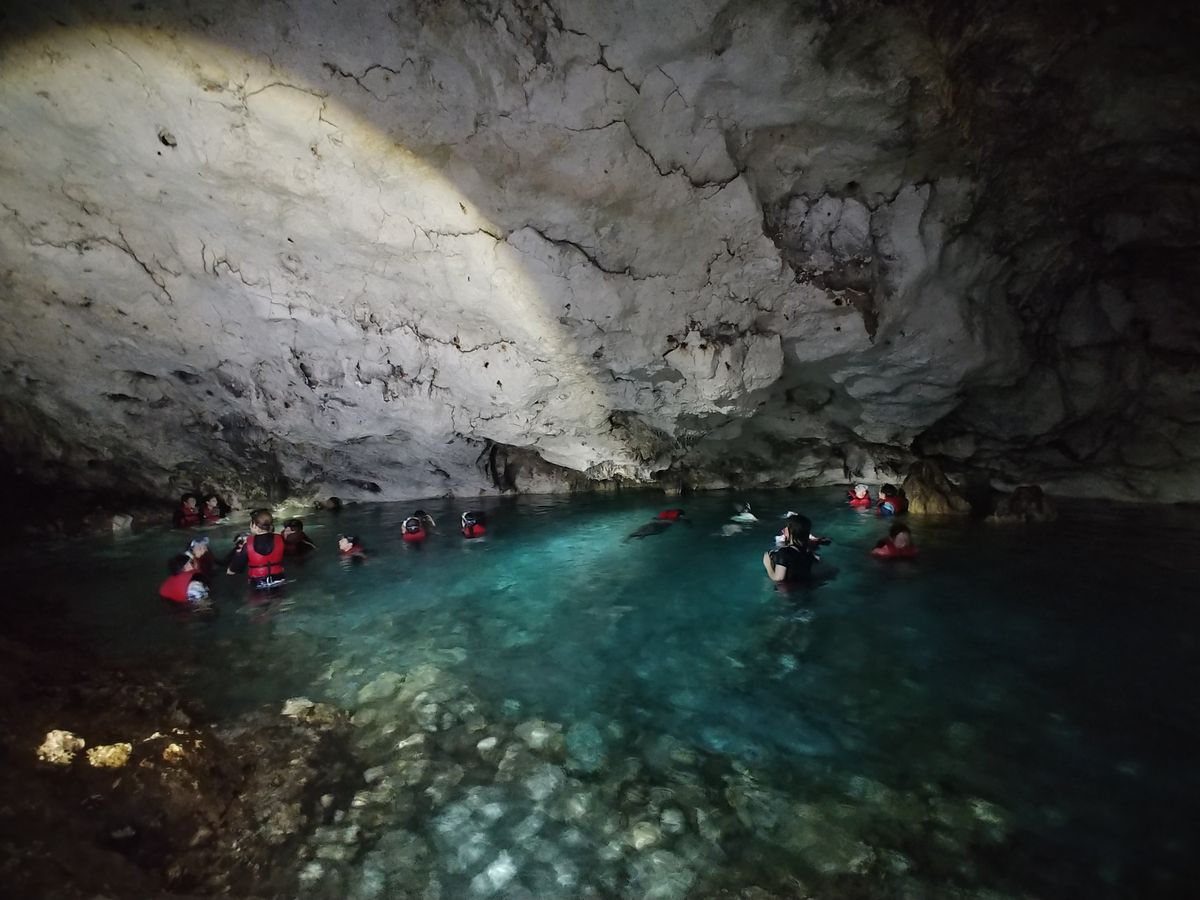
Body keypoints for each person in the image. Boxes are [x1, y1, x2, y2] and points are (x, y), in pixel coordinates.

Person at [225, 508, 286, 590]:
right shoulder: (280, 538)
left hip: (258, 582)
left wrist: (230, 569)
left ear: (254, 526)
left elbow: (236, 568)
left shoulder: (248, 543)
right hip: (279, 579)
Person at [763, 514, 819, 584]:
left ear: (791, 531)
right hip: (805, 588)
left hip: (787, 590)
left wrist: (768, 564)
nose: (783, 530)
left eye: (786, 527)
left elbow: (779, 579)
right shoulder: (809, 554)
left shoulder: (784, 553)